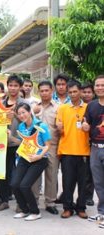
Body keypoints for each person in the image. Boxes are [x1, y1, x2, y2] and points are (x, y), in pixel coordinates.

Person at [10, 103, 50, 221]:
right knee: (14, 184)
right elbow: (23, 143)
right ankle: (24, 210)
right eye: (19, 113)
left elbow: (48, 145)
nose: (22, 115)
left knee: (25, 185)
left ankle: (35, 212)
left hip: (39, 160)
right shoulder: (21, 126)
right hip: (25, 158)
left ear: (29, 112)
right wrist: (11, 137)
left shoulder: (41, 125)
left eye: (24, 112)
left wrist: (39, 156)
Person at [56, 80, 89, 219]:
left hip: (84, 151)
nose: (73, 94)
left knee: (83, 183)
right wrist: (59, 127)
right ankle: (67, 208)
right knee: (67, 182)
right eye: (70, 92)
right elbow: (59, 126)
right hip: (67, 150)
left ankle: (81, 207)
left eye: (75, 91)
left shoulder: (89, 107)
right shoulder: (62, 108)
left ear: (81, 91)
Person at [0, 75, 25, 211]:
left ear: (20, 87)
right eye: (10, 85)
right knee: (3, 172)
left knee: (19, 173)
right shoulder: (0, 102)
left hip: (19, 142)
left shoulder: (24, 104)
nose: (13, 88)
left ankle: (21, 202)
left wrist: (17, 117)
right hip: (2, 143)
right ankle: (3, 199)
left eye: (15, 85)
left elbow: (29, 122)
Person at [33, 81, 60, 215]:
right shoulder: (33, 107)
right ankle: (34, 201)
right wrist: (33, 113)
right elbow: (26, 122)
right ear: (39, 92)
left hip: (52, 146)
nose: (44, 93)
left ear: (52, 91)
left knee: (51, 175)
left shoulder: (58, 108)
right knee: (35, 175)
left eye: (46, 90)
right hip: (36, 146)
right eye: (41, 91)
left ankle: (50, 203)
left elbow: (61, 128)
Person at [82, 75, 104, 229]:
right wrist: (85, 126)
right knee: (98, 183)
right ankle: (101, 212)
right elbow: (86, 122)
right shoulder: (92, 105)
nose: (100, 88)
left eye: (102, 85)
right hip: (95, 147)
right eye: (97, 85)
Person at [81, 83, 95, 206]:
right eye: (84, 92)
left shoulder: (95, 106)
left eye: (89, 92)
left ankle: (88, 196)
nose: (86, 94)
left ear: (93, 93)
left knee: (90, 172)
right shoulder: (78, 106)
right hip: (78, 143)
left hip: (93, 143)